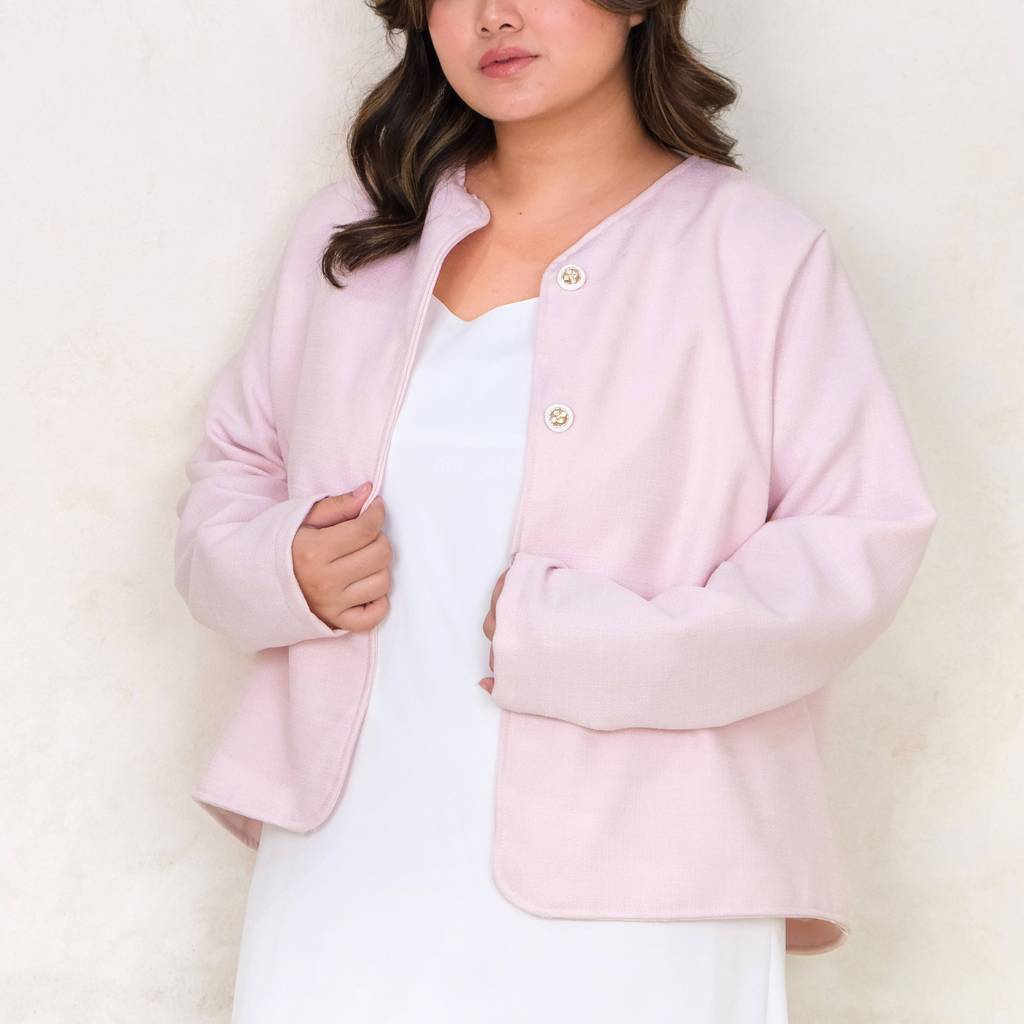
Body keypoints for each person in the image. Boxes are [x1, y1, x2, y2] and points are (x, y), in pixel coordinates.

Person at [173, 2, 937, 1021]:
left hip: (648, 865)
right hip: (350, 842)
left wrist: (609, 646)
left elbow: (857, 540)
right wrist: (285, 569)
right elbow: (233, 469)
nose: (495, 15)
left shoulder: (756, 251)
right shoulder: (351, 235)